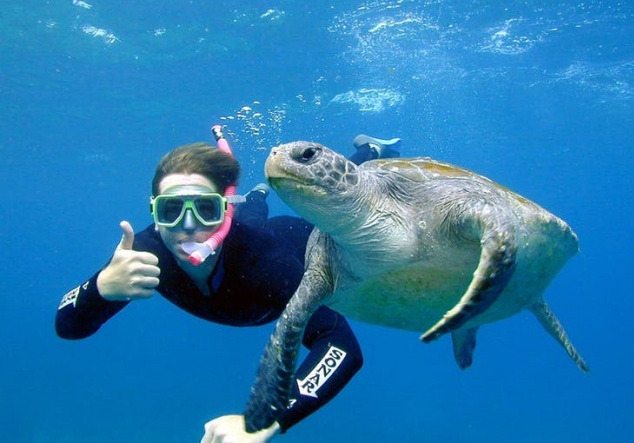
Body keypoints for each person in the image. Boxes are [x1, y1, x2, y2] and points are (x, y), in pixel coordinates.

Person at [55, 129, 401, 443]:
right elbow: (67, 326)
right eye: (171, 210)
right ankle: (254, 200)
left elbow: (340, 346)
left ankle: (370, 150)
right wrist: (99, 288)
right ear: (154, 214)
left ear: (224, 212)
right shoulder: (143, 255)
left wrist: (268, 420)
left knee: (334, 210)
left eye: (206, 209)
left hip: (295, 237)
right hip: (246, 232)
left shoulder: (268, 266)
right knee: (254, 217)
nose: (188, 227)